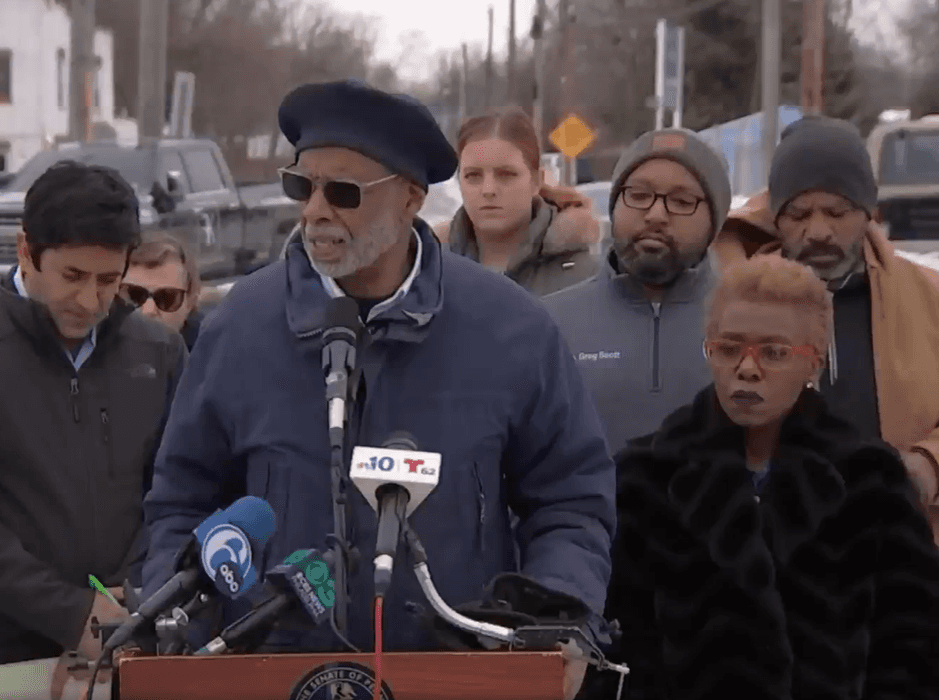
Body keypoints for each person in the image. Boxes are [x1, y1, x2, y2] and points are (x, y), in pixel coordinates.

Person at [141, 80, 615, 697]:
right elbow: (182, 500)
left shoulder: (511, 329)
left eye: (343, 192)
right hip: (267, 676)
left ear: (411, 198)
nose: (314, 211)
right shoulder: (238, 328)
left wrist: (558, 616)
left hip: (457, 675)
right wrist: (179, 628)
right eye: (301, 186)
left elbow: (570, 498)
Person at [583, 255, 939, 700]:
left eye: (774, 352)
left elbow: (912, 643)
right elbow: (617, 645)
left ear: (814, 362)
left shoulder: (870, 478)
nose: (747, 369)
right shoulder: (645, 475)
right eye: (729, 348)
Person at [0, 161, 187, 700]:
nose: (91, 300)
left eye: (109, 280)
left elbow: (177, 486)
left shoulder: (159, 351)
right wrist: (70, 613)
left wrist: (136, 597)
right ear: (26, 250)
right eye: (73, 277)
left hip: (134, 642)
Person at [712, 115, 939, 545]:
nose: (818, 232)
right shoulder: (734, 301)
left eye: (837, 212)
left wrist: (928, 463)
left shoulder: (930, 300)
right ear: (775, 217)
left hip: (901, 558)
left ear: (869, 211)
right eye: (797, 213)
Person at [543, 128, 733, 455]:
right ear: (615, 205)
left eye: (682, 201)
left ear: (714, 222)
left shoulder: (748, 322)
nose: (656, 215)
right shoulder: (550, 323)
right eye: (639, 195)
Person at [434, 106, 601, 295]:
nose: (489, 190)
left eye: (506, 174)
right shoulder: (429, 270)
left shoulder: (584, 276)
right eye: (473, 175)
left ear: (536, 181)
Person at [122, 234, 205, 350]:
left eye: (166, 298)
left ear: (191, 302)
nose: (148, 311)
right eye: (135, 296)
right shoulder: (93, 350)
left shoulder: (214, 355)